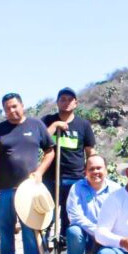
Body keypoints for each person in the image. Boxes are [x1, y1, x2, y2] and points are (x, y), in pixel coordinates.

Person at [0, 93, 56, 254]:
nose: (11, 111)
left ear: (22, 106)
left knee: (30, 232)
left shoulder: (36, 125)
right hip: (3, 190)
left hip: (28, 190)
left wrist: (40, 172)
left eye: (14, 106)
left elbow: (50, 151)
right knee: (5, 232)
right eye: (7, 108)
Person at [42, 87, 97, 246]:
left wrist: (90, 171)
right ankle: (43, 247)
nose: (66, 102)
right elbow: (40, 140)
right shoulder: (48, 120)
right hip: (50, 178)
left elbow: (90, 150)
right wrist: (55, 125)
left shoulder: (83, 125)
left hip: (74, 178)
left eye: (69, 99)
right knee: (47, 215)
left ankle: (64, 246)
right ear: (57, 102)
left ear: (76, 103)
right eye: (62, 99)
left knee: (69, 216)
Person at [66, 154, 120, 254]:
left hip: (108, 236)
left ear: (106, 170)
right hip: (86, 236)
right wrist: (96, 231)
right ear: (85, 172)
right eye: (91, 169)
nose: (95, 172)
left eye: (99, 168)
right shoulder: (76, 188)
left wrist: (105, 234)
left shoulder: (116, 190)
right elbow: (75, 216)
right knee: (73, 231)